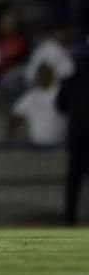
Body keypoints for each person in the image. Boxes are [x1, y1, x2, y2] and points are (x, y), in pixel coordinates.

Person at [56, 51, 89, 225]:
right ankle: (70, 217)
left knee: (74, 180)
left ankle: (70, 218)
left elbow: (60, 105)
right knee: (74, 179)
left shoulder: (70, 82)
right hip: (78, 139)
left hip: (77, 139)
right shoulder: (70, 82)